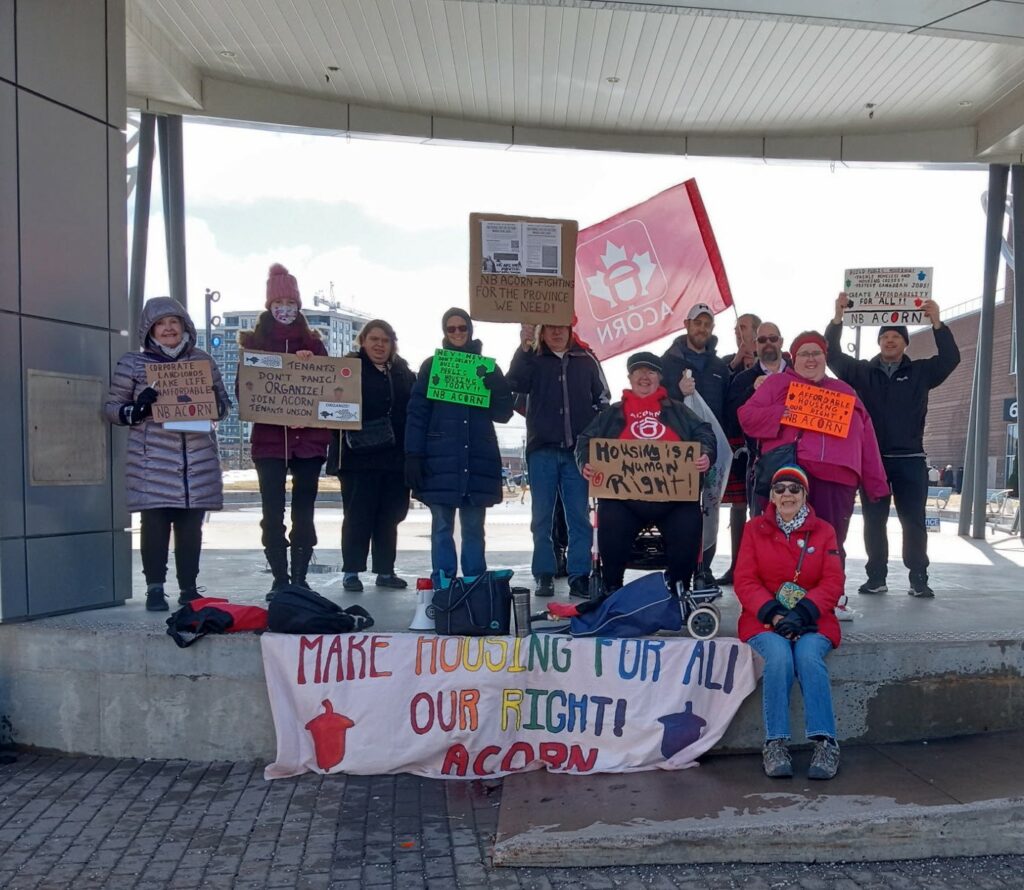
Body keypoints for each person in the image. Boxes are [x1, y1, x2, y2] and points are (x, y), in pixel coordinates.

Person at [825, 296, 960, 598]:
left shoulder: (921, 372)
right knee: (874, 521)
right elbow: (831, 354)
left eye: (895, 336)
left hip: (910, 460)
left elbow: (951, 358)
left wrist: (937, 322)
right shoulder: (861, 372)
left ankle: (919, 577)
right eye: (884, 336)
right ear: (879, 341)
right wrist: (838, 319)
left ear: (905, 343)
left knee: (913, 521)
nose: (889, 341)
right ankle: (876, 577)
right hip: (873, 460)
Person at [105, 297, 230, 612]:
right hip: (153, 464)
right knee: (155, 528)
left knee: (191, 529)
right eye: (161, 323)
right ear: (150, 330)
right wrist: (137, 407)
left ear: (185, 325)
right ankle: (155, 589)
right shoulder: (133, 364)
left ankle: (189, 588)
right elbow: (111, 409)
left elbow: (224, 406)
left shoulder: (204, 361)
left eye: (174, 321)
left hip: (197, 462)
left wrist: (215, 402)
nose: (168, 328)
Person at [733, 464, 844, 780]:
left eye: (794, 489)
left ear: (805, 495)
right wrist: (775, 614)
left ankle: (825, 742)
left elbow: (833, 580)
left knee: (809, 657)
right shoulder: (754, 529)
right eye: (780, 488)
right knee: (779, 657)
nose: (787, 494)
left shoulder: (824, 531)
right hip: (764, 619)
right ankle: (775, 742)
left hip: (812, 619)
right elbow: (744, 579)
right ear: (771, 495)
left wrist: (803, 613)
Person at [738, 330, 888, 561]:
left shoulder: (845, 391)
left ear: (825, 357)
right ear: (794, 359)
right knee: (784, 542)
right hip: (791, 475)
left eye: (816, 353)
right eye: (804, 354)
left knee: (830, 542)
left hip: (837, 481)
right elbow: (747, 416)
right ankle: (785, 594)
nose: (811, 359)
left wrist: (875, 484)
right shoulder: (777, 383)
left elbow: (867, 439)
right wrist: (784, 412)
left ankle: (829, 595)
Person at [575, 352, 715, 594]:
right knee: (609, 517)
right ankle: (612, 587)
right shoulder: (611, 413)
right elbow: (585, 440)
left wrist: (705, 454)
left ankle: (678, 588)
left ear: (659, 377)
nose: (644, 376)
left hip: (675, 498)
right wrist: (586, 461)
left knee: (689, 522)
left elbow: (704, 433)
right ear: (630, 377)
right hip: (625, 499)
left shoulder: (678, 410)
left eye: (650, 371)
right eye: (638, 371)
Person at [240, 263, 331, 598]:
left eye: (290, 304)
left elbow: (329, 389)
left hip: (308, 443)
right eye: (278, 303)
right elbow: (245, 391)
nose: (284, 309)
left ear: (298, 306)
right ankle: (280, 578)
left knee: (304, 512)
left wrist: (313, 366)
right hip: (269, 442)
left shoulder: (315, 344)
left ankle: (301, 577)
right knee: (272, 511)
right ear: (269, 306)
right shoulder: (254, 344)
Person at [405, 309, 514, 586]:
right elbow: (417, 413)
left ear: (470, 330)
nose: (457, 333)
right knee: (441, 525)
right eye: (451, 329)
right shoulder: (432, 366)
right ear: (444, 332)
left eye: (461, 328)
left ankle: (474, 582)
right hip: (440, 460)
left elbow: (503, 413)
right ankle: (443, 581)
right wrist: (413, 454)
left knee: (474, 526)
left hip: (477, 459)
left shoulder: (487, 368)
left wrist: (499, 388)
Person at [508, 322, 607, 597]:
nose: (556, 332)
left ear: (571, 329)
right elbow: (514, 383)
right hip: (542, 451)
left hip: (577, 453)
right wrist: (523, 347)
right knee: (541, 518)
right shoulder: (533, 358)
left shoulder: (587, 360)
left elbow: (603, 400)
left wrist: (596, 439)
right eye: (550, 327)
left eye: (561, 327)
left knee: (578, 517)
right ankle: (544, 574)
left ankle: (579, 576)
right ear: (542, 331)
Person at [326, 320, 416, 592]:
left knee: (390, 516)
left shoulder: (403, 373)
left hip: (393, 458)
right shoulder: (347, 370)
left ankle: (385, 571)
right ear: (363, 341)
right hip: (358, 458)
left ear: (393, 343)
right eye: (374, 339)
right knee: (357, 516)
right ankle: (351, 571)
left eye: (385, 340)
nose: (379, 345)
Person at [661, 303, 731, 582]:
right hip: (676, 450)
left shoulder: (719, 367)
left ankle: (704, 567)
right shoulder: (667, 362)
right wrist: (677, 393)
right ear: (687, 324)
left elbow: (726, 406)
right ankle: (678, 568)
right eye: (697, 323)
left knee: (709, 509)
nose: (702, 329)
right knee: (679, 511)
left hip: (710, 451)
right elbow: (657, 404)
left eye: (707, 324)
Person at [716, 312, 762, 585]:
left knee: (761, 506)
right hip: (734, 441)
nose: (737, 332)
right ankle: (736, 566)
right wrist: (736, 362)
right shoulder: (725, 364)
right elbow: (719, 389)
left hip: (760, 443)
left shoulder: (769, 362)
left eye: (742, 328)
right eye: (736, 328)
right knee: (738, 506)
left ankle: (758, 567)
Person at [727, 321, 790, 517]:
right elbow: (731, 419)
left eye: (773, 338)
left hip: (798, 462)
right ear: (756, 345)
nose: (768, 343)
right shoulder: (743, 379)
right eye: (762, 339)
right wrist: (751, 391)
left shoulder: (799, 373)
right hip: (759, 463)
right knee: (760, 522)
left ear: (781, 342)